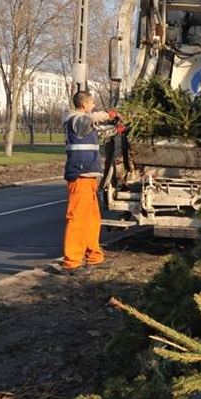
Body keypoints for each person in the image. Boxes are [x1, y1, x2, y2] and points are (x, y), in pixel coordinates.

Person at [52, 90, 119, 275]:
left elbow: (96, 128)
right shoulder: (75, 120)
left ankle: (94, 257)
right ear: (84, 105)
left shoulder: (82, 123)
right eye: (92, 103)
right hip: (80, 174)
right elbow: (89, 121)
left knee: (92, 219)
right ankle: (71, 263)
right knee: (77, 219)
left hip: (88, 176)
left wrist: (115, 127)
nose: (94, 106)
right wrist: (108, 114)